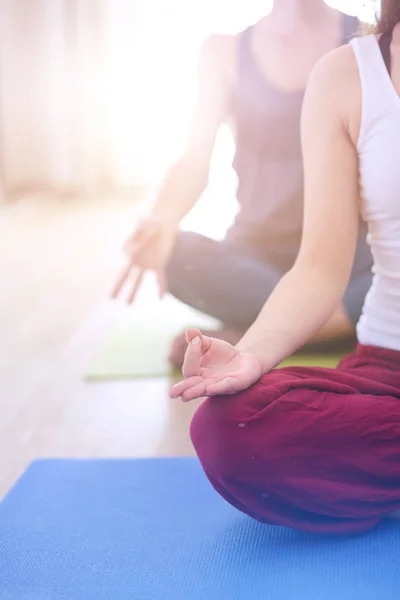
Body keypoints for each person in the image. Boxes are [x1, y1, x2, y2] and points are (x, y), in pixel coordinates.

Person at [170, 0, 400, 534]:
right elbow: (320, 266)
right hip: (388, 370)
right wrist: (249, 355)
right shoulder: (347, 74)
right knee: (231, 430)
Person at [112, 1, 373, 368]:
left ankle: (258, 337)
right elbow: (195, 156)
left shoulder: (370, 42)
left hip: (347, 261)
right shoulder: (222, 50)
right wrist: (162, 218)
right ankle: (332, 330)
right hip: (257, 255)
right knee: (175, 253)